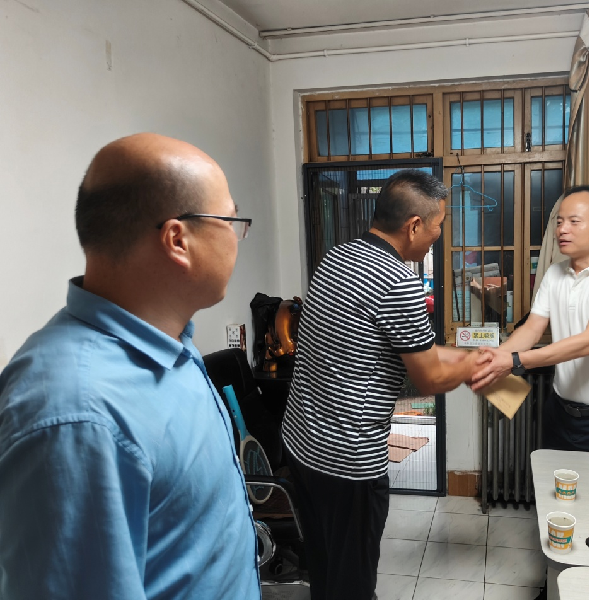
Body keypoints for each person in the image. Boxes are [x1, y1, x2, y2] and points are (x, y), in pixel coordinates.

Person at [0, 133, 260, 600]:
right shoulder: (78, 414)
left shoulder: (167, 344)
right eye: (230, 221)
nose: (237, 238)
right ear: (178, 239)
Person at [282, 169, 479, 600]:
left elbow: (417, 347)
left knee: (324, 565)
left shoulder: (336, 257)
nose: (438, 235)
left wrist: (468, 356)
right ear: (414, 225)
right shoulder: (398, 280)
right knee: (353, 583)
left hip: (302, 446)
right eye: (439, 224)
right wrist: (477, 368)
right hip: (349, 461)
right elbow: (428, 376)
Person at [472, 185, 589, 453]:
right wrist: (498, 357)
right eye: (559, 222)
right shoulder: (555, 274)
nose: (562, 230)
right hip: (559, 413)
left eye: (574, 222)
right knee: (552, 481)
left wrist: (515, 361)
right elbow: (533, 327)